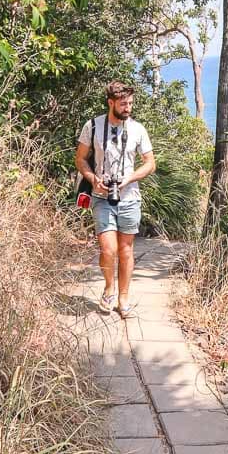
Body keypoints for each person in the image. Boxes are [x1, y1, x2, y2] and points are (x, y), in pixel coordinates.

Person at [75, 81, 156, 318]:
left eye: (130, 103)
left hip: (129, 198)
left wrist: (130, 178)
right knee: (108, 249)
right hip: (101, 196)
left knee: (126, 250)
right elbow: (80, 159)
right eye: (123, 104)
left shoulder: (138, 129)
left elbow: (150, 163)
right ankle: (109, 288)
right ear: (111, 103)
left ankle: (123, 297)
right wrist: (92, 178)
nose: (128, 108)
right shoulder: (92, 126)